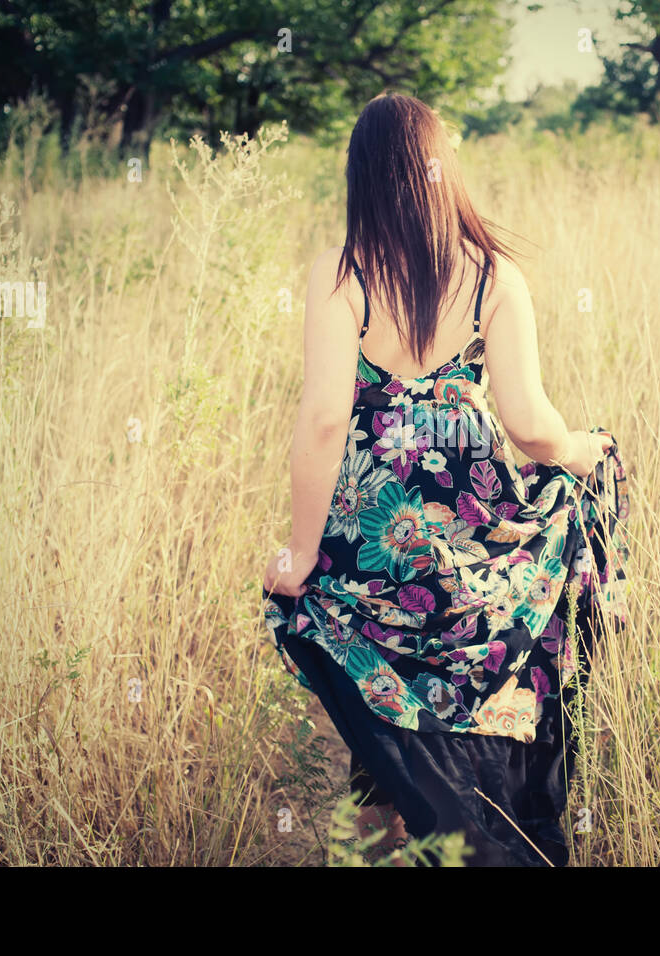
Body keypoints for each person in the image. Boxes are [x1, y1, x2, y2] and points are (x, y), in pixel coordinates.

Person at [261, 91, 629, 866]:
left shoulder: (344, 273)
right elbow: (530, 424)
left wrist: (299, 555)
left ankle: (384, 851)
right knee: (482, 697)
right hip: (470, 548)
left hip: (371, 553)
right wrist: (582, 449)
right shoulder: (495, 276)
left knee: (374, 714)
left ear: (362, 177)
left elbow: (327, 421)